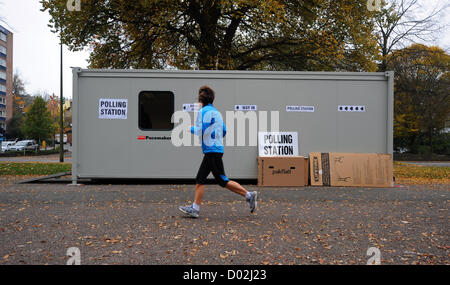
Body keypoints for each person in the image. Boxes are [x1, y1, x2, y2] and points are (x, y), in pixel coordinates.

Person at [179, 86, 258, 218]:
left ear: (201, 100)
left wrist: (189, 128)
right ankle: (249, 195)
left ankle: (195, 209)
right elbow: (224, 131)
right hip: (216, 149)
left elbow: (199, 130)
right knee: (214, 180)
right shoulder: (216, 112)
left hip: (211, 151)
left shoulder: (203, 111)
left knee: (210, 180)